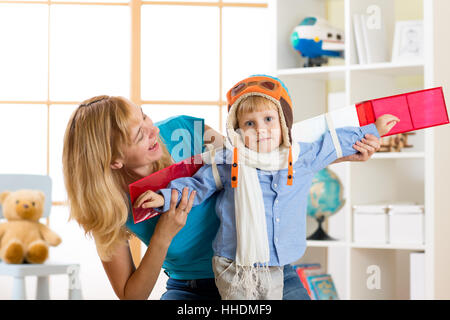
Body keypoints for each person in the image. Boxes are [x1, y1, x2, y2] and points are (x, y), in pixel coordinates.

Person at [62, 93, 382, 300]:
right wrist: (163, 236)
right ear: (114, 160)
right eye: (138, 134)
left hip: (263, 267)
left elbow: (252, 157)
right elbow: (131, 295)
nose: (153, 130)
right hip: (192, 289)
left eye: (143, 117)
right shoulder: (107, 207)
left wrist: (341, 154)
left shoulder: (184, 132)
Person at [135, 75, 399, 299]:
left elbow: (332, 142)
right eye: (250, 124)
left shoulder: (301, 156)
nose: (261, 130)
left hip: (277, 263)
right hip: (233, 265)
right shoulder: (228, 161)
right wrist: (163, 197)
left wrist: (373, 129)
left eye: (269, 120)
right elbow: (196, 185)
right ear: (237, 130)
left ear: (284, 123)